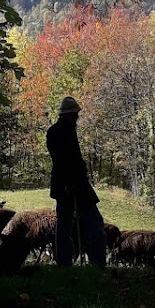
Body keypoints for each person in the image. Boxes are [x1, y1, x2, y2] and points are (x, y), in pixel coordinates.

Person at [46, 96, 106, 268]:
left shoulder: (57, 131)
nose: (78, 117)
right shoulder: (64, 131)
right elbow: (63, 160)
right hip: (73, 185)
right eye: (76, 114)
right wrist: (71, 182)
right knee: (94, 222)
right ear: (70, 114)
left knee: (64, 225)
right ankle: (97, 264)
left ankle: (64, 264)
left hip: (65, 184)